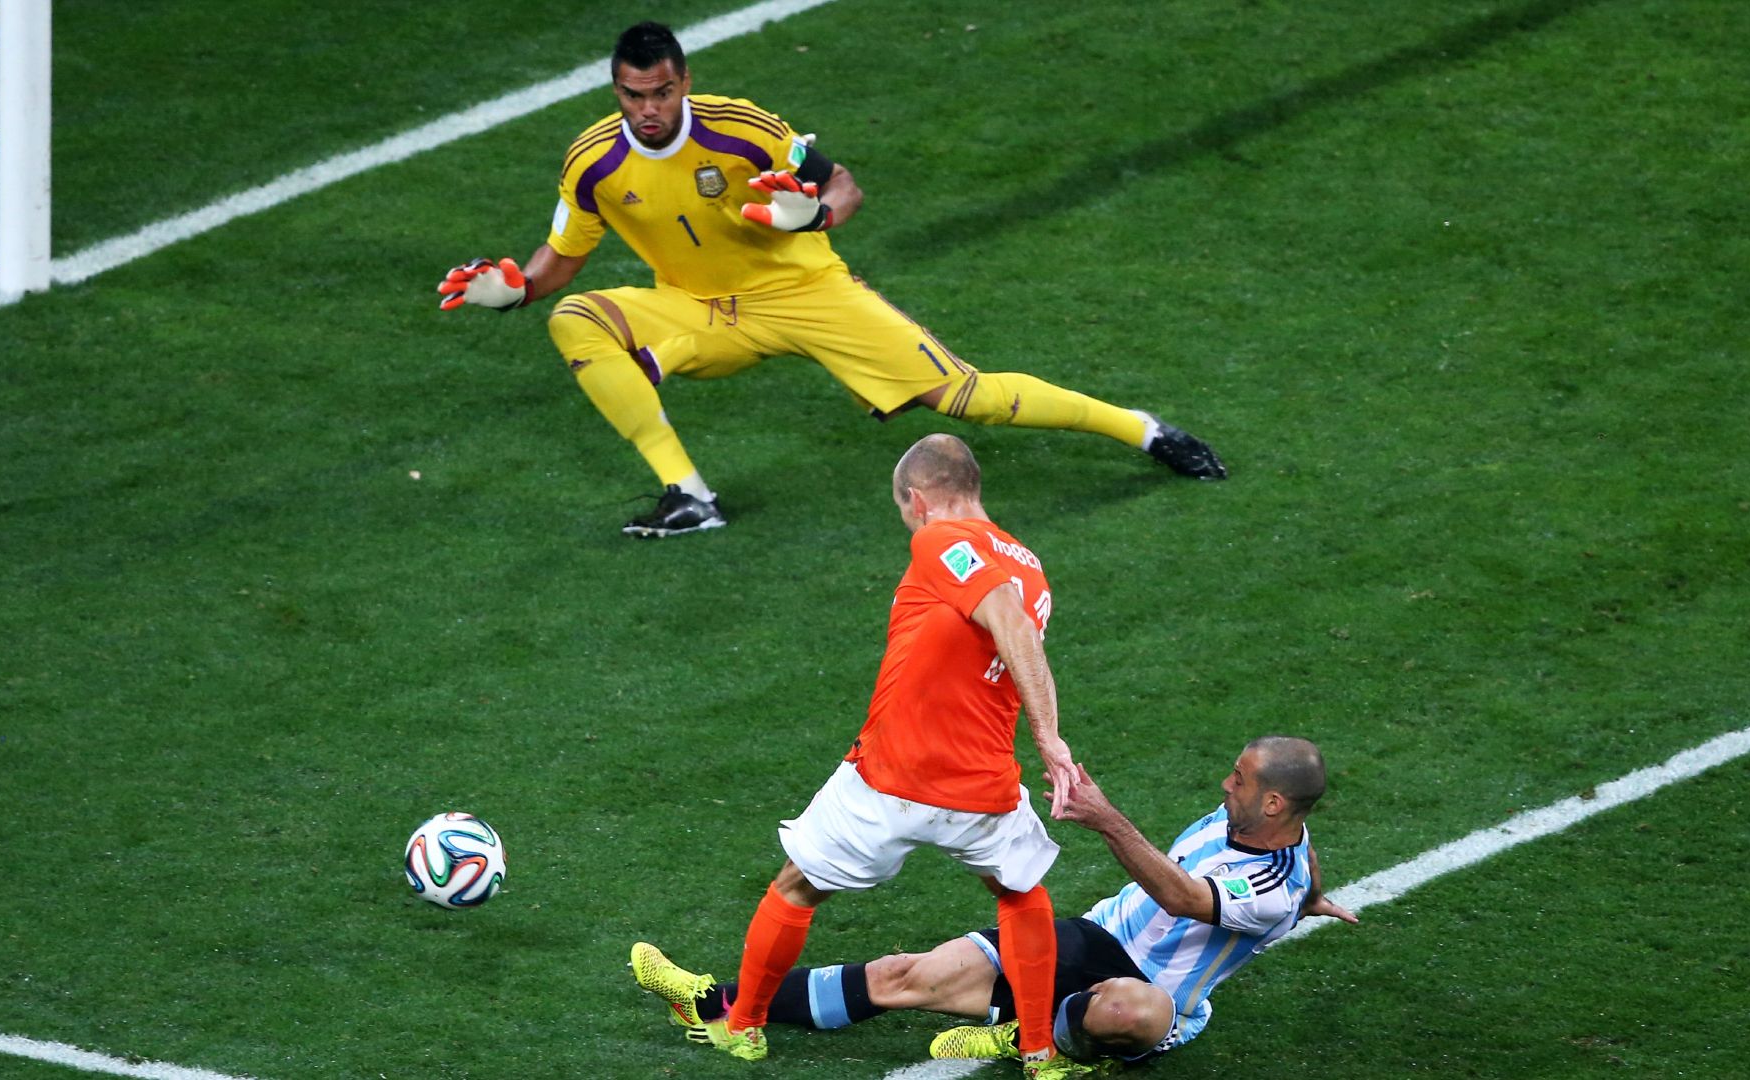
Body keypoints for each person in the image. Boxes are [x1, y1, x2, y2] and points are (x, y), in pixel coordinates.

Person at [438, 21, 1227, 539]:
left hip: (806, 293)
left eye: (661, 92)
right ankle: (692, 496)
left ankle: (1145, 430)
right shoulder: (592, 161)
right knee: (575, 315)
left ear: (683, 82)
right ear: (617, 91)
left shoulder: (742, 130)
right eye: (632, 95)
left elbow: (842, 186)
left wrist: (808, 219)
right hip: (701, 307)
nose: (648, 109)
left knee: (964, 396)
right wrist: (515, 288)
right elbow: (560, 257)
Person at [632, 433, 1090, 1076]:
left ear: (918, 498)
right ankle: (1040, 1050)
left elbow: (1007, 623)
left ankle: (742, 1026)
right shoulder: (1031, 564)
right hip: (982, 784)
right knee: (1020, 894)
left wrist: (1050, 736)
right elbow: (1012, 636)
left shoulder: (939, 538)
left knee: (794, 889)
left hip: (891, 776)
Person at [638, 737, 1356, 1067]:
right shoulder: (1262, 825)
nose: (1224, 782)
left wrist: (1104, 817)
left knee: (1131, 1011)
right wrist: (1316, 898)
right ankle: (710, 1001)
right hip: (1090, 937)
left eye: (1238, 777)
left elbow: (1179, 893)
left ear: (1271, 799)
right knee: (902, 978)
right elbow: (1306, 855)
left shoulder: (1266, 888)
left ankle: (1031, 1036)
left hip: (1158, 993)